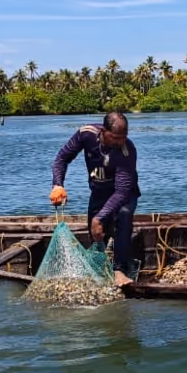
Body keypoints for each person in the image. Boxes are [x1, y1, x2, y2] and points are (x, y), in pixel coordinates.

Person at [49, 112, 141, 286]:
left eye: (124, 137)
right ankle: (101, 267)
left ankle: (119, 270)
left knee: (123, 215)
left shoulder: (127, 150)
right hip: (99, 192)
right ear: (103, 131)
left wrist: (101, 217)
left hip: (124, 194)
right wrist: (57, 185)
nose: (120, 142)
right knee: (96, 233)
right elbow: (61, 158)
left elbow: (121, 192)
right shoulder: (86, 134)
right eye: (115, 137)